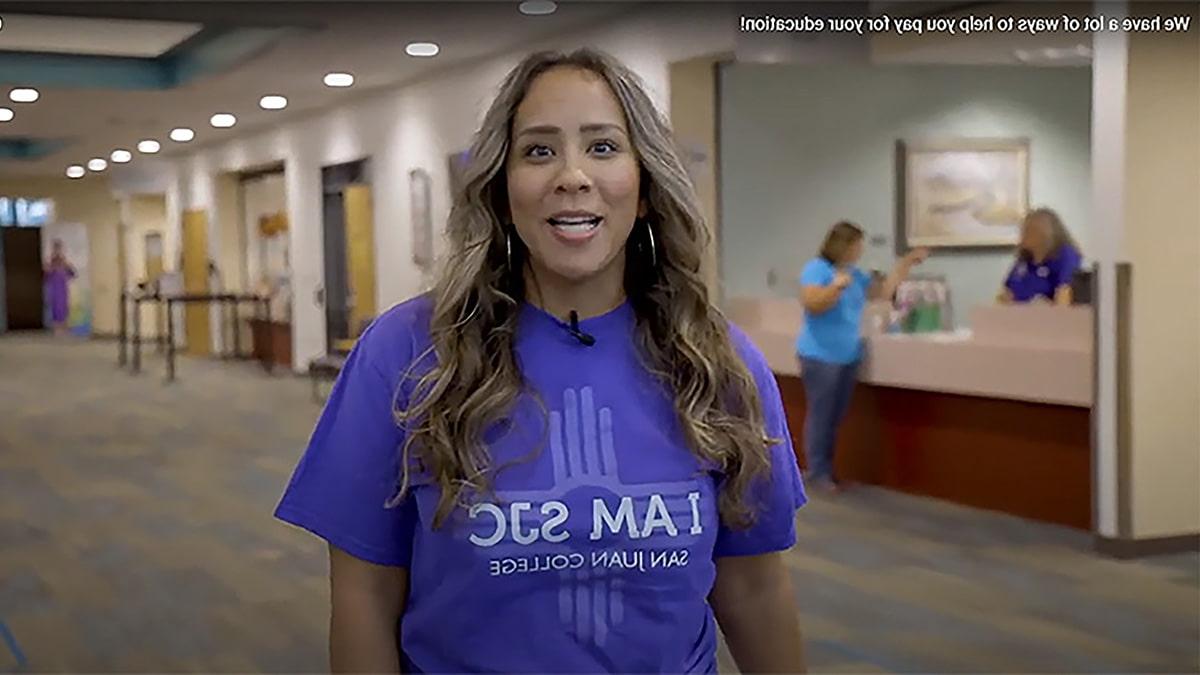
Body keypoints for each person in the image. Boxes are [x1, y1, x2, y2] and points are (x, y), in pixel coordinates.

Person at [275, 49, 807, 674]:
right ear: (502, 192)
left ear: (644, 192)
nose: (572, 175)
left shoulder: (717, 361)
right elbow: (365, 596)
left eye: (604, 147)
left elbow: (753, 587)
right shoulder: (406, 354)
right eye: (538, 151)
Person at [797, 222, 927, 492]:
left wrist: (905, 263)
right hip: (820, 357)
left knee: (836, 416)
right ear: (842, 245)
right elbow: (812, 303)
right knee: (822, 416)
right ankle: (818, 472)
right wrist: (835, 287)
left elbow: (883, 292)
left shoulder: (854, 274)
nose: (860, 250)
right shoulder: (817, 269)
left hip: (848, 356)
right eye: (856, 245)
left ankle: (827, 470)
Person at [997, 207, 1082, 305]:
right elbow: (1005, 294)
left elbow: (1064, 294)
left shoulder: (1065, 255)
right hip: (1015, 317)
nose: (1023, 235)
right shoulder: (1024, 259)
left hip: (1047, 317)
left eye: (1029, 231)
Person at [43, 238, 76, 336]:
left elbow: (72, 274)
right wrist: (50, 268)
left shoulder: (64, 262)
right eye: (56, 248)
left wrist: (65, 265)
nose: (57, 251)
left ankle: (64, 326)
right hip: (54, 288)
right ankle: (56, 328)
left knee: (64, 306)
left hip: (63, 289)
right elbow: (46, 276)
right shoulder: (50, 263)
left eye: (59, 248)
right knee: (55, 307)